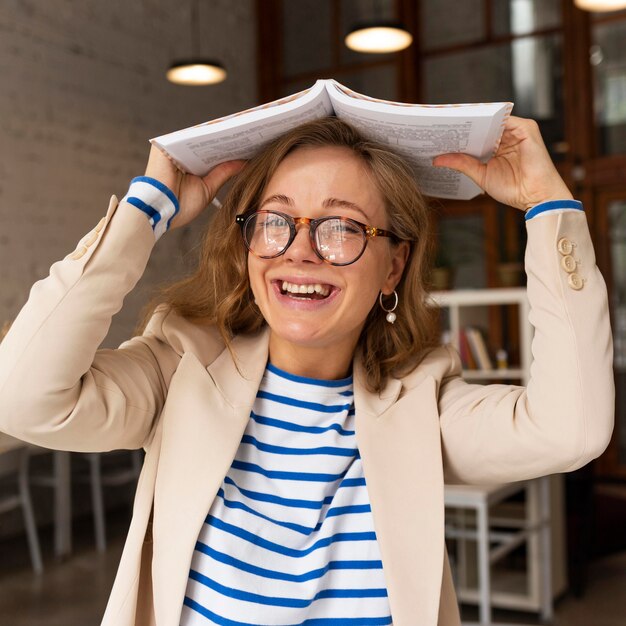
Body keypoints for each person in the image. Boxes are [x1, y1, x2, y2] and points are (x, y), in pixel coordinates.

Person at [0, 115, 614, 626]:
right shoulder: (181, 368)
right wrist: (147, 209)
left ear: (394, 267)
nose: (299, 250)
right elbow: (23, 398)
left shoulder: (421, 402)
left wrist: (548, 206)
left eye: (341, 227)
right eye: (275, 220)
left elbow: (573, 428)